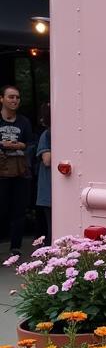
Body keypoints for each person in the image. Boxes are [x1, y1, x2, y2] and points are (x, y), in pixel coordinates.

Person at [0, 85, 35, 257]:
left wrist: (22, 146)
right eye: (11, 97)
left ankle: (16, 247)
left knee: (19, 210)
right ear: (2, 99)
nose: (15, 100)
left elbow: (31, 144)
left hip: (20, 171)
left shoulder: (24, 122)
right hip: (1, 172)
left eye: (17, 97)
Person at [36, 112, 51, 247]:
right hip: (48, 191)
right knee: (51, 228)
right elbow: (47, 160)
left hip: (54, 191)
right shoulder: (46, 135)